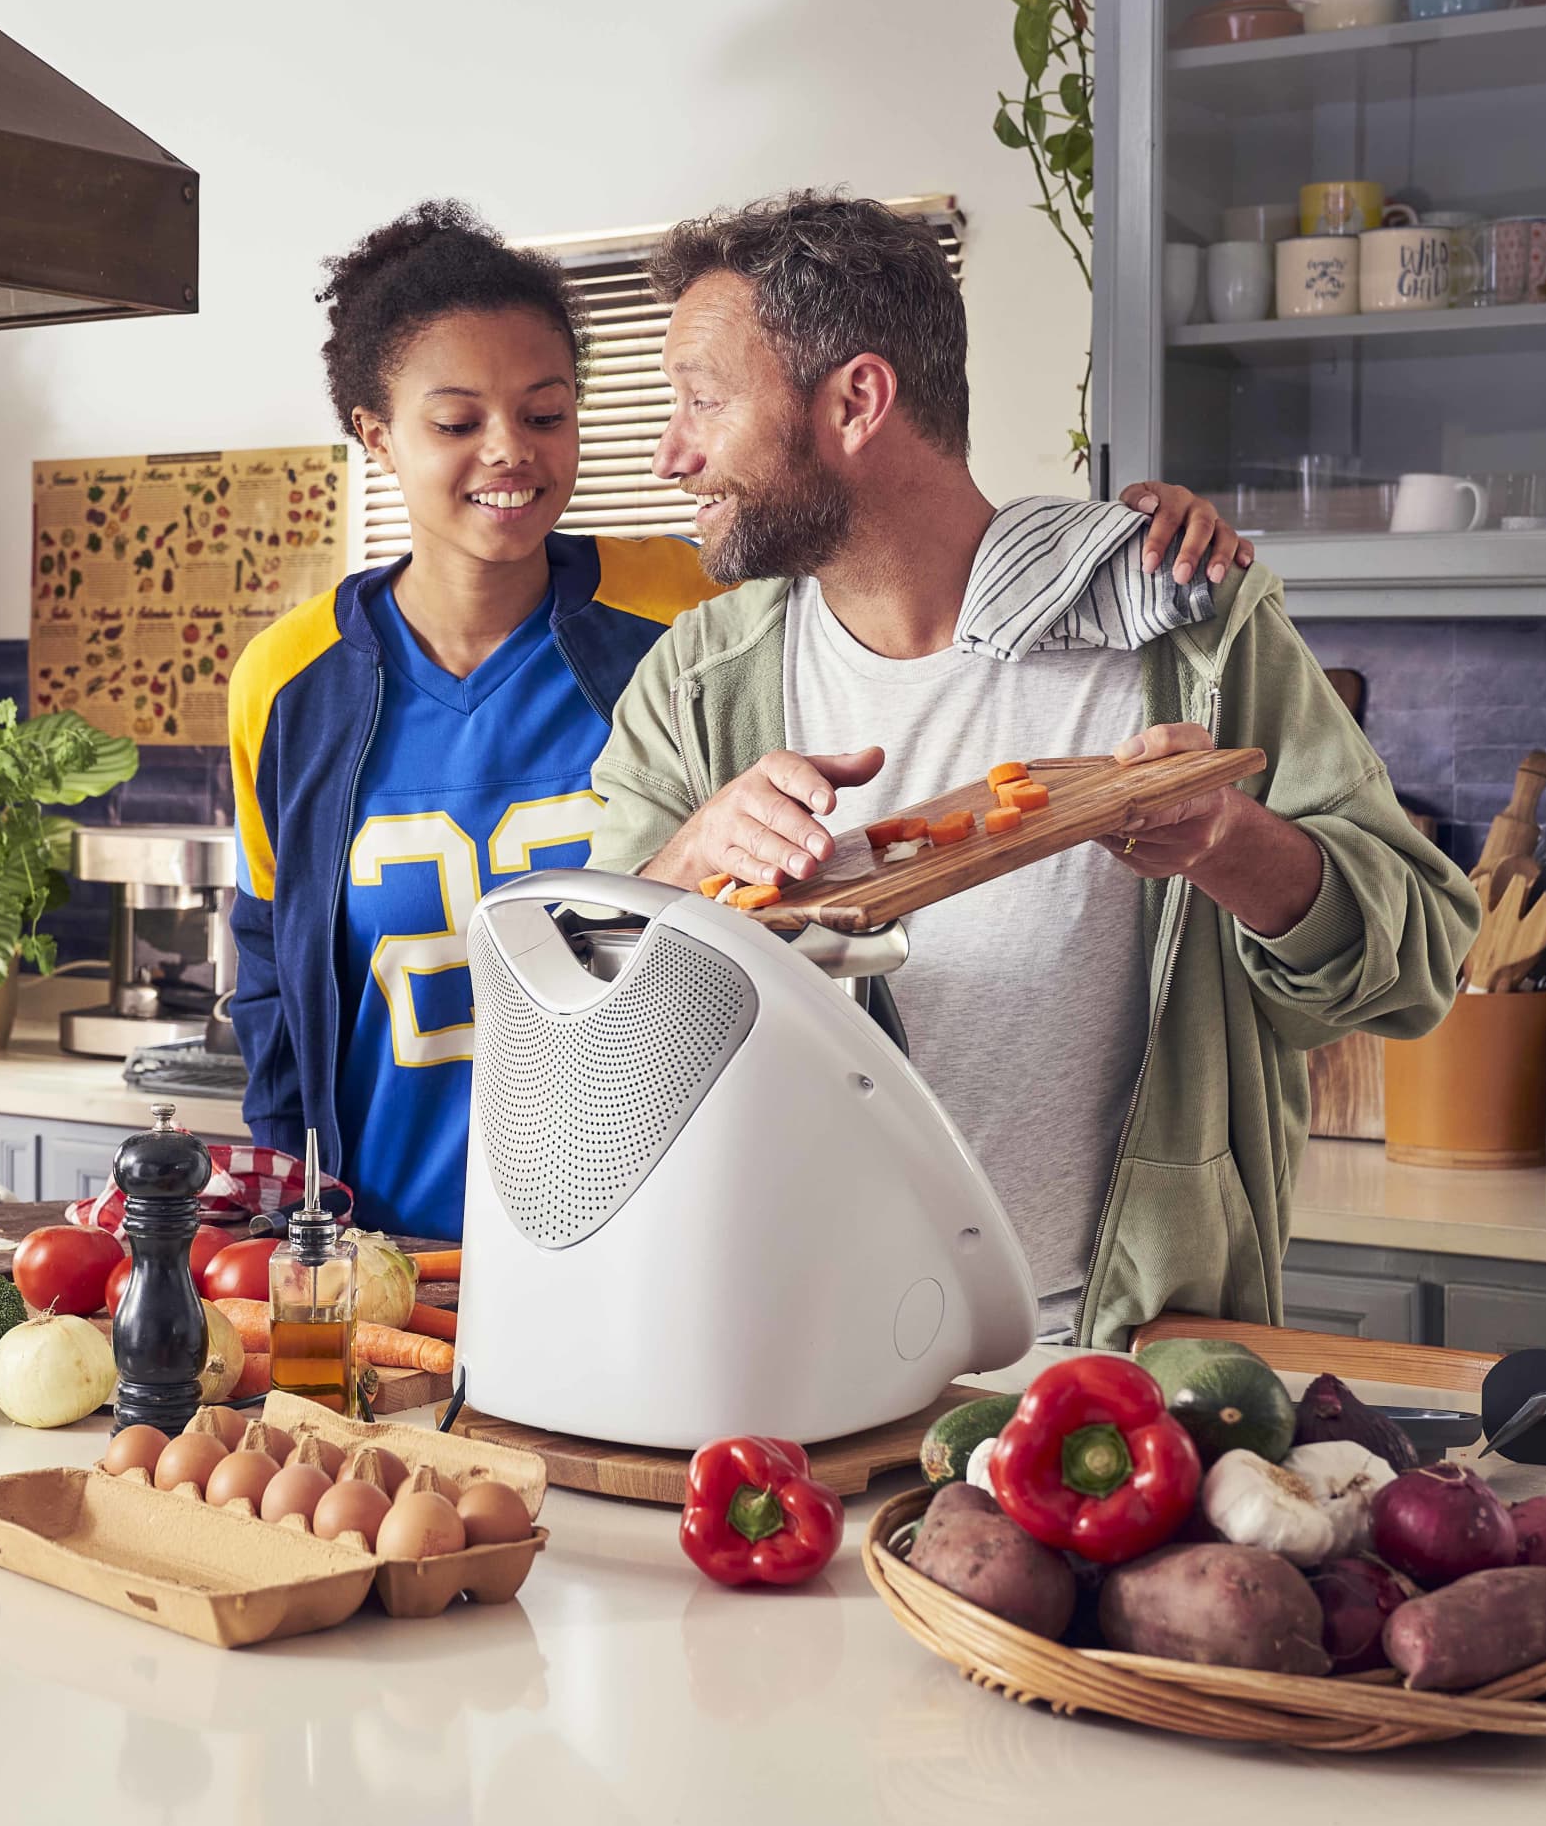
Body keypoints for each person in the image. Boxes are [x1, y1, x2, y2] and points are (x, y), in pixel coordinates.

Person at [228, 201, 1257, 1241]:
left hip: (645, 1218)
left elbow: (898, 550)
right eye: (456, 424)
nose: (510, 453)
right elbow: (272, 979)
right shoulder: (285, 679)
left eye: (546, 415)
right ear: (375, 434)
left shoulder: (696, 610)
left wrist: (1136, 548)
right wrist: (284, 1215)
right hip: (381, 1237)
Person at [584, 191, 1475, 1346]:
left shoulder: (1179, 637)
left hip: (1114, 1371)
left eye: (702, 400)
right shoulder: (698, 683)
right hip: (787, 1355)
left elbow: (1417, 968)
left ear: (856, 399)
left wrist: (1229, 842)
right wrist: (683, 866)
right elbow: (592, 1034)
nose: (670, 451)